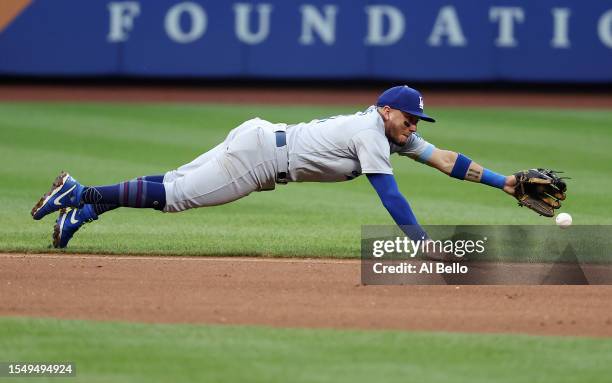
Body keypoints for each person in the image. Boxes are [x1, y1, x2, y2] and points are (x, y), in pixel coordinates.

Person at [31, 85, 517, 249]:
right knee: (175, 197)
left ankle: (85, 210)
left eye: (417, 122)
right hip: (261, 158)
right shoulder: (371, 132)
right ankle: (79, 194)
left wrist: (506, 183)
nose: (413, 127)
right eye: (409, 118)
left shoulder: (388, 131)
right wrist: (419, 241)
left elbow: (445, 160)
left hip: (262, 140)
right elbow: (389, 195)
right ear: (387, 110)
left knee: (174, 184)